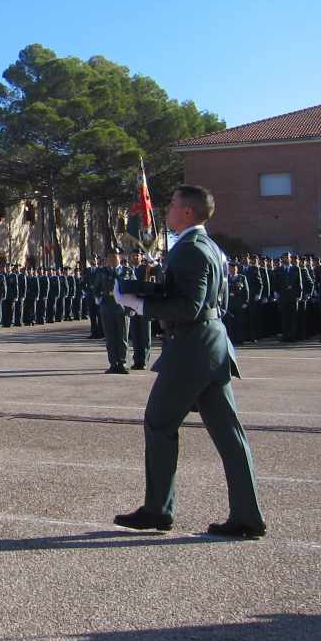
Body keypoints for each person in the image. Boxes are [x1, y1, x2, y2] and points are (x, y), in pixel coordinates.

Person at [113, 184, 266, 540]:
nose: (166, 209)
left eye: (172, 204)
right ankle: (247, 516)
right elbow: (212, 301)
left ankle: (157, 510)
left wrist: (138, 305)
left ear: (187, 212)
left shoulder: (192, 250)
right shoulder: (211, 248)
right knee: (229, 435)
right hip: (211, 345)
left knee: (159, 423)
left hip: (191, 349)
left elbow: (189, 307)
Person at [98, 250, 130, 374]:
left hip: (122, 308)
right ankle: (113, 363)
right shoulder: (102, 272)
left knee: (122, 337)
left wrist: (132, 307)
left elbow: (133, 288)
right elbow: (96, 287)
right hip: (107, 308)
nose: (111, 259)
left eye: (114, 257)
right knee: (110, 338)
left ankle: (122, 363)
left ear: (119, 257)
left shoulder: (127, 271)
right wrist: (98, 298)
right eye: (109, 257)